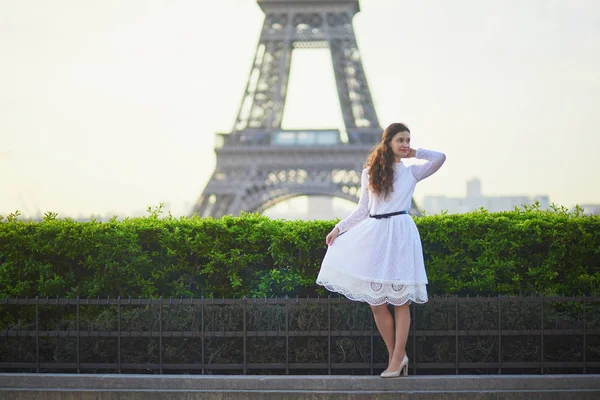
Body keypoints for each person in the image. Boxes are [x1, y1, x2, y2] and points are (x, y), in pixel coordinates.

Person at [316, 122, 446, 378]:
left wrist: (415, 152)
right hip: (377, 234)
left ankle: (396, 360)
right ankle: (397, 355)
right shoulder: (369, 173)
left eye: (408, 140)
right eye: (400, 140)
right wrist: (338, 229)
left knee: (401, 301)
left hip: (400, 233)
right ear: (387, 143)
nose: (405, 144)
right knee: (376, 303)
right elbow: (363, 209)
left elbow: (440, 158)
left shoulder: (412, 172)